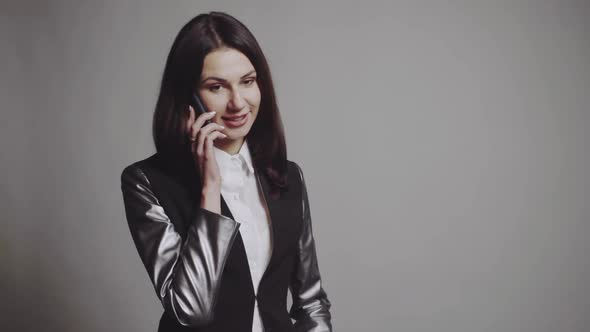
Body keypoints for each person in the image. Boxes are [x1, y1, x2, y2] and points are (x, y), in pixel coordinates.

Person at [120, 11, 332, 332]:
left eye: (247, 82)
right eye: (217, 87)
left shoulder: (288, 176)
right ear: (187, 97)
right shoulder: (147, 182)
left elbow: (311, 301)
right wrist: (210, 188)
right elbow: (191, 312)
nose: (238, 103)